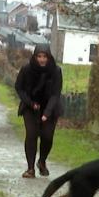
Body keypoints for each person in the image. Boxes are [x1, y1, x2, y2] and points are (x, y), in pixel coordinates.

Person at [15, 44, 63, 178]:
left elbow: (55, 94)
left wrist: (47, 113)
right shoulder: (26, 69)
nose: (42, 59)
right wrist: (30, 103)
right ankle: (30, 168)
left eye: (45, 57)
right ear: (35, 57)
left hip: (50, 108)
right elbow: (19, 87)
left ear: (49, 57)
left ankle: (42, 161)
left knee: (47, 136)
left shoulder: (56, 71)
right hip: (30, 107)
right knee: (31, 134)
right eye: (39, 56)